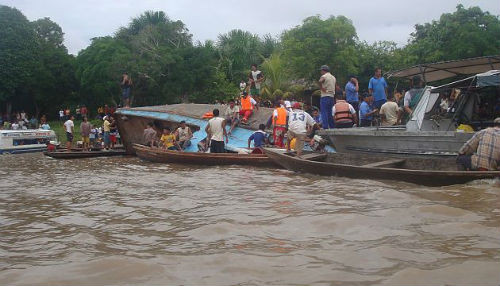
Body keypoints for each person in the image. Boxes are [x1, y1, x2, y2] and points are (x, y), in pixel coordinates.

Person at [318, 65, 336, 129]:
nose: (320, 72)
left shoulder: (324, 76)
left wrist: (321, 88)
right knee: (330, 112)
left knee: (324, 112)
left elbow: (320, 81)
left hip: (325, 96)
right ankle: (332, 126)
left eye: (321, 70)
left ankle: (325, 126)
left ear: (323, 70)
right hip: (331, 96)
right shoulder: (333, 77)